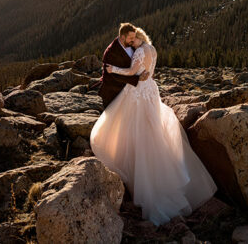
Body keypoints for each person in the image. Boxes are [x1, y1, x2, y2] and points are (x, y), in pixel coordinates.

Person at [89, 26, 217, 227]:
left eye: (133, 40)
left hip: (138, 91)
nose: (132, 43)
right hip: (150, 89)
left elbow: (132, 71)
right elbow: (150, 71)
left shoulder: (140, 51)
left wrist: (113, 70)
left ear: (138, 38)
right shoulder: (153, 49)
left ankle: (134, 165)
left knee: (132, 126)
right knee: (152, 126)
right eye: (130, 41)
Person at [98, 22, 149, 108]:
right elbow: (114, 75)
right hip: (113, 92)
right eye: (131, 38)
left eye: (134, 37)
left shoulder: (132, 45)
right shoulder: (111, 52)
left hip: (128, 91)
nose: (133, 39)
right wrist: (137, 78)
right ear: (122, 37)